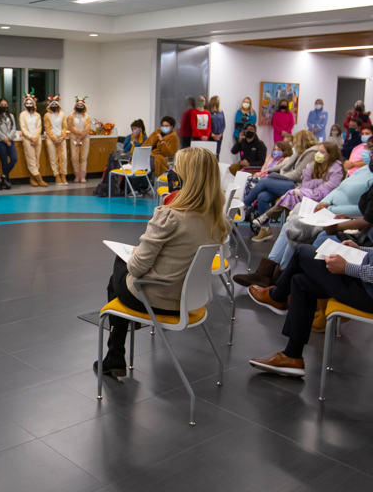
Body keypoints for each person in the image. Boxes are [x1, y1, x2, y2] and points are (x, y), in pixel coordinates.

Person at [94, 147, 231, 378]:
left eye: (176, 168)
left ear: (183, 177)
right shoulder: (220, 220)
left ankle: (116, 351)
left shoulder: (169, 215)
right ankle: (117, 347)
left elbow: (137, 268)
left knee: (120, 265)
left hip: (157, 300)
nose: (172, 172)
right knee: (123, 271)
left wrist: (136, 254)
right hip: (193, 300)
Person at [235, 137, 373, 289]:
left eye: (371, 148)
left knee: (297, 225)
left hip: (338, 216)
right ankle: (267, 272)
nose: (368, 152)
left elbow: (363, 211)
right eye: (368, 148)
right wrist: (325, 203)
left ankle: (280, 278)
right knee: (288, 221)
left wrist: (331, 210)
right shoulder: (361, 170)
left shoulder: (355, 173)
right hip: (328, 208)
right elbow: (337, 190)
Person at [247, 238, 373, 378]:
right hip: (365, 283)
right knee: (300, 282)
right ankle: (292, 356)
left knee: (302, 252)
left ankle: (277, 296)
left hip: (367, 293)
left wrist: (347, 267)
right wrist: (360, 250)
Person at [250, 141, 344, 242]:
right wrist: (320, 181)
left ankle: (264, 215)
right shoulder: (312, 165)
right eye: (318, 151)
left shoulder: (336, 169)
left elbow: (330, 187)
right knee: (267, 195)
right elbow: (306, 183)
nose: (318, 154)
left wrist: (314, 187)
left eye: (322, 152)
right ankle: (283, 227)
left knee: (287, 192)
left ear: (331, 154)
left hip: (325, 197)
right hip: (308, 192)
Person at [20, 92, 46, 187]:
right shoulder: (22, 114)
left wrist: (35, 138)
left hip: (37, 139)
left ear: (34, 104)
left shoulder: (37, 115)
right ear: (24, 104)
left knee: (36, 159)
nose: (29, 105)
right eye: (27, 103)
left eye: (30, 103)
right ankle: (39, 179)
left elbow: (39, 127)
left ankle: (32, 179)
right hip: (27, 139)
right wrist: (31, 138)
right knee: (31, 159)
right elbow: (23, 128)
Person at [0, 98, 17, 189]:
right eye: (2, 105)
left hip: (9, 140)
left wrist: (9, 138)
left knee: (14, 159)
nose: (4, 106)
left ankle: (4, 176)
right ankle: (6, 181)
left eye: (5, 105)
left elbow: (14, 129)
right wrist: (4, 138)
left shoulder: (11, 116)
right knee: (4, 161)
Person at [43, 95, 68, 185]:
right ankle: (57, 176)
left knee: (63, 157)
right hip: (51, 139)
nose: (54, 106)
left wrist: (62, 136)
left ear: (58, 105)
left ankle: (63, 176)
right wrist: (54, 138)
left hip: (61, 138)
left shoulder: (62, 114)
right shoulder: (47, 115)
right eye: (52, 104)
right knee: (53, 158)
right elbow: (48, 128)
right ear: (50, 105)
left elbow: (64, 126)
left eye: (55, 104)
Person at [67, 96, 92, 184]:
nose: (80, 107)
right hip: (74, 138)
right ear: (75, 106)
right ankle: (77, 175)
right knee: (74, 157)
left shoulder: (87, 117)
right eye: (78, 105)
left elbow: (87, 128)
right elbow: (71, 126)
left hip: (85, 138)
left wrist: (81, 137)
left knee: (83, 157)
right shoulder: (70, 116)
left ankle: (82, 176)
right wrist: (78, 136)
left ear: (84, 106)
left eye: (81, 105)